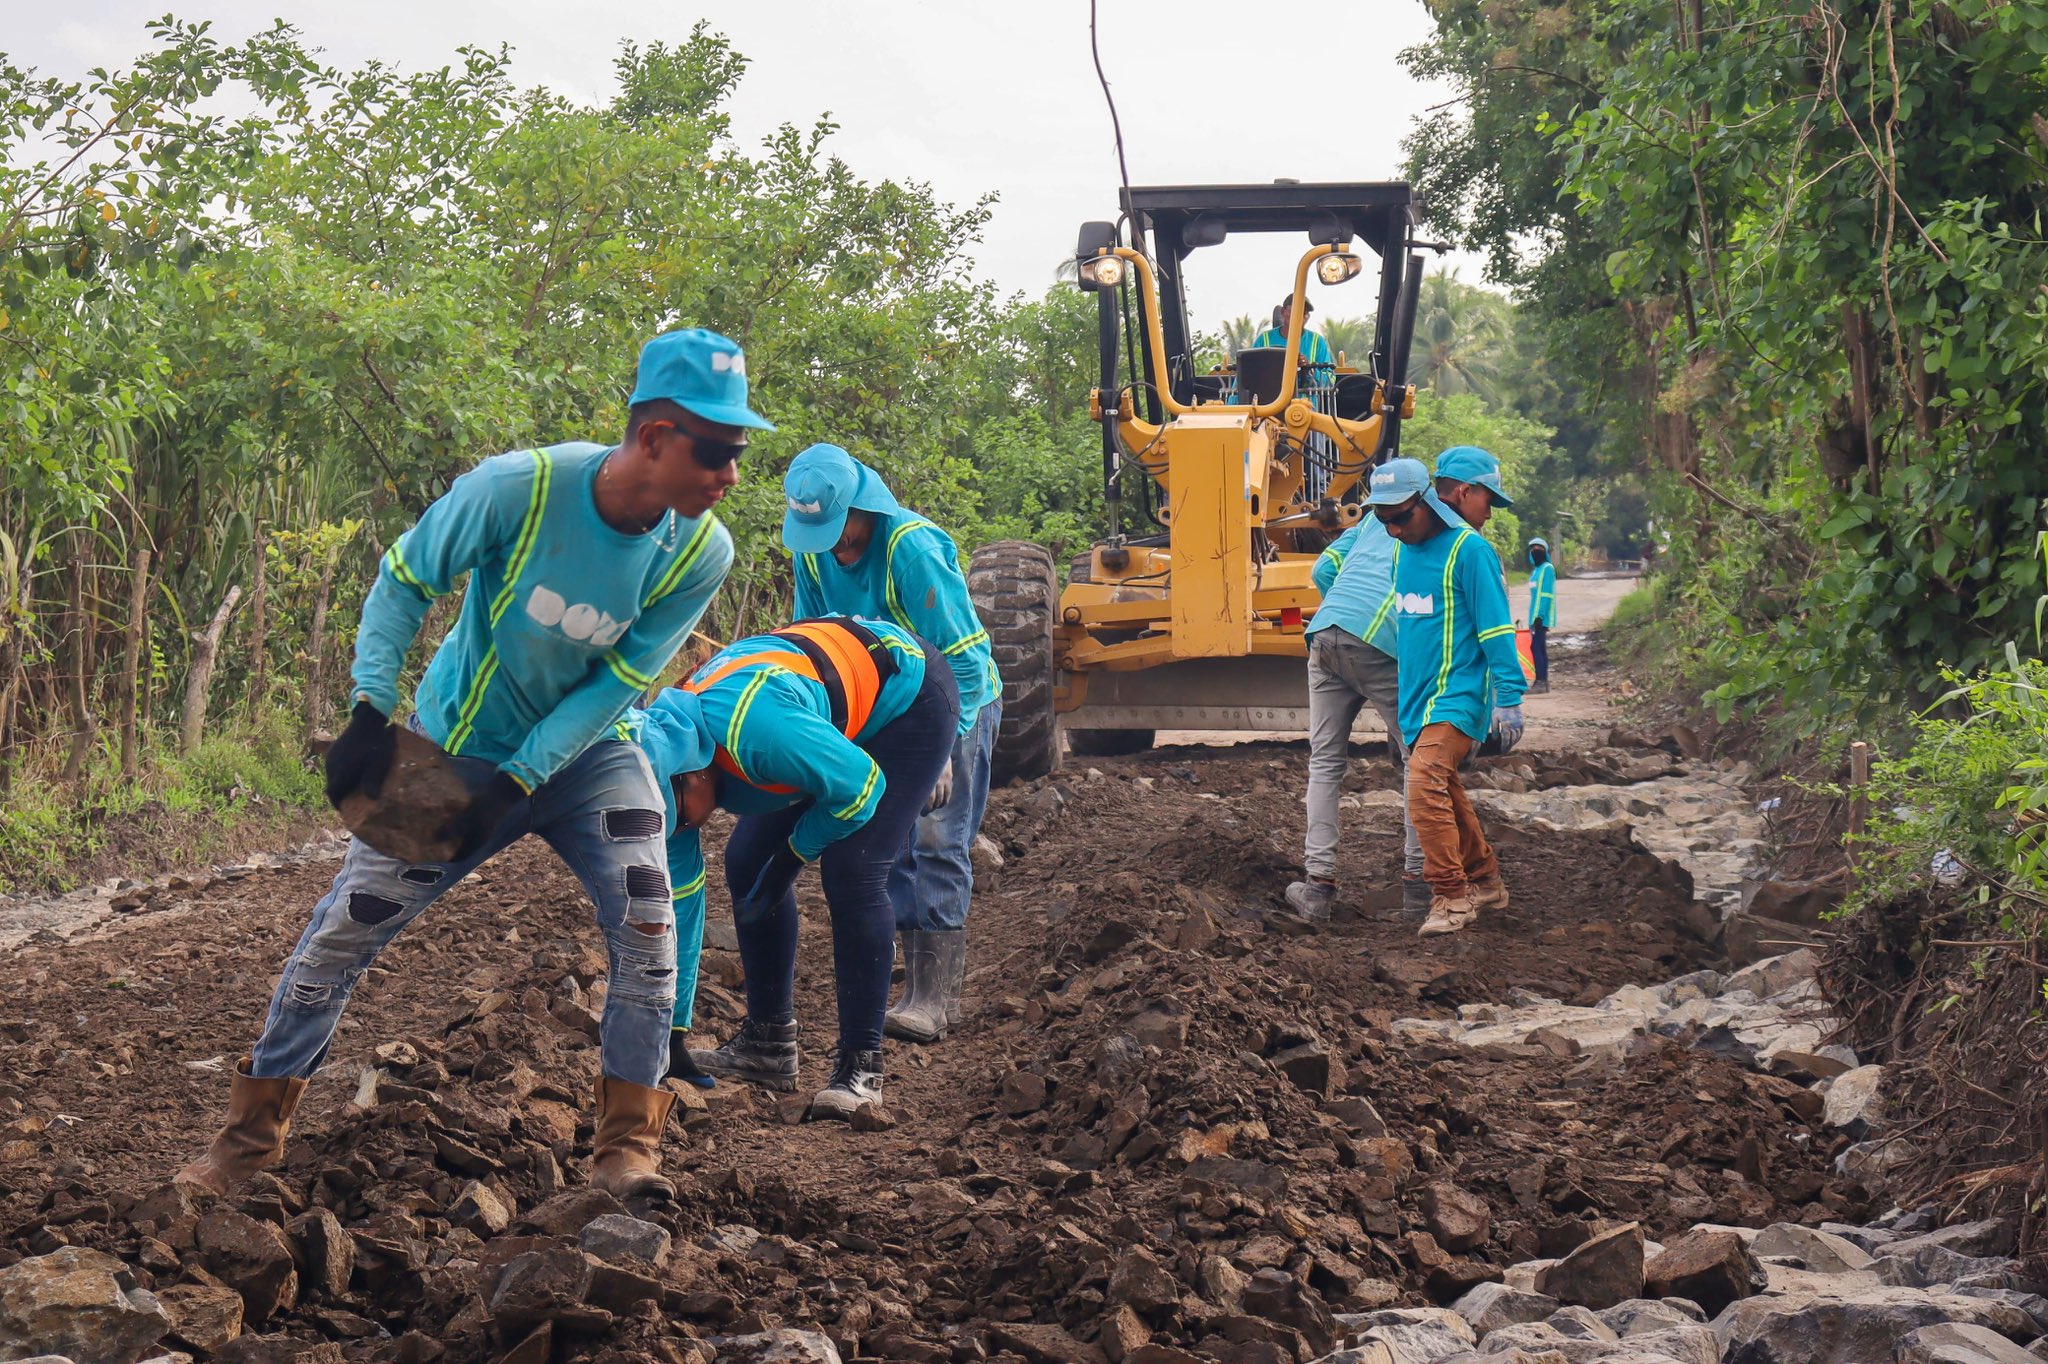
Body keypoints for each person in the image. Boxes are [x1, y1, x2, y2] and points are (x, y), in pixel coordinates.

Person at [174, 328, 767, 1202]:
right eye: (716, 452)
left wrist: (523, 778)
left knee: (650, 930)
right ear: (652, 438)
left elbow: (625, 679)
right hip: (452, 754)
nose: (730, 476)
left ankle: (626, 1154)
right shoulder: (517, 490)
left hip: (589, 758)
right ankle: (246, 1148)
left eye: (738, 453)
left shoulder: (699, 549)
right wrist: (371, 709)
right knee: (343, 933)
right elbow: (405, 578)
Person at [678, 616, 959, 1120]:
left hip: (907, 701)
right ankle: (768, 1044)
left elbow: (861, 786)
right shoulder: (670, 736)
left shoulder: (758, 735)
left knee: (853, 870)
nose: (679, 823)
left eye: (676, 811)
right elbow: (680, 896)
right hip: (825, 710)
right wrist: (672, 1028)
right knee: (746, 858)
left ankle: (861, 1070)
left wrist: (791, 858)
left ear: (695, 773)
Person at [780, 445, 999, 1045]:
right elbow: (811, 642)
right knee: (890, 836)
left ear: (863, 507)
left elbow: (967, 658)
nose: (835, 547)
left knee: (937, 836)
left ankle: (936, 996)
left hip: (958, 698)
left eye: (839, 530)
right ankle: (909, 980)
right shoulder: (817, 555)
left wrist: (949, 749)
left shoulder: (912, 547)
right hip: (881, 704)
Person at [1367, 449, 1527, 938]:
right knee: (1445, 790)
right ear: (1463, 491)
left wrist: (1509, 696)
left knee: (1424, 779)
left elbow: (1497, 629)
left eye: (1400, 518)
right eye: (1384, 519)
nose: (1393, 529)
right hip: (1418, 700)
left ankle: (1451, 895)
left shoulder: (1470, 550)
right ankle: (1486, 880)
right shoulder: (1401, 548)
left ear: (1427, 501)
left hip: (1458, 697)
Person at [1283, 508, 1429, 921]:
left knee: (1325, 762)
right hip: (1380, 644)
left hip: (1326, 631)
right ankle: (1418, 888)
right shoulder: (1435, 531)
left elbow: (1324, 568)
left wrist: (1346, 610)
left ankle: (1317, 889)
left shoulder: (1368, 521)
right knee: (1417, 761)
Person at [1251, 293, 1336, 388]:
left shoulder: (1317, 342)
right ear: (1283, 312)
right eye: (1296, 310)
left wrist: (1309, 369)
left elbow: (1330, 381)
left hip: (1306, 402)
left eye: (1305, 313)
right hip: (1272, 402)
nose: (1301, 316)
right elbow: (1246, 374)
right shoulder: (1263, 339)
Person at [1526, 537, 1557, 694]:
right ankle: (1543, 682)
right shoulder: (1536, 571)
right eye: (1532, 548)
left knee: (1536, 647)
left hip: (1541, 617)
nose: (1535, 550)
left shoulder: (1547, 568)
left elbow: (1545, 595)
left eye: (1539, 548)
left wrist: (1540, 616)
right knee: (1539, 647)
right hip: (1534, 616)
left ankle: (1541, 681)